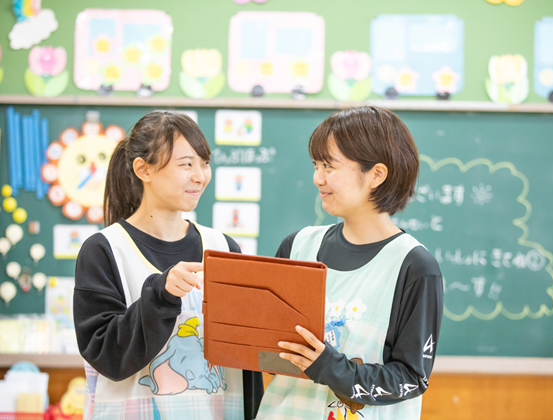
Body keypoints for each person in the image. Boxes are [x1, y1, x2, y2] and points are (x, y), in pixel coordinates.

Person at [257, 106, 443, 420]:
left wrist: (330, 367)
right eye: (316, 165)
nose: (318, 178)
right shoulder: (297, 246)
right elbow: (270, 355)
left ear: (376, 174)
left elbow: (412, 378)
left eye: (329, 166)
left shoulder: (414, 267)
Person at [74, 111, 263, 420]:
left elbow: (245, 360)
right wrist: (159, 294)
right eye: (186, 164)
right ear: (143, 170)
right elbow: (106, 356)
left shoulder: (224, 248)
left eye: (204, 163)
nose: (200, 176)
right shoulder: (105, 250)